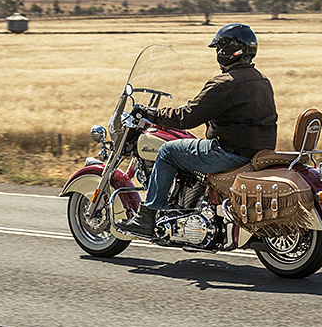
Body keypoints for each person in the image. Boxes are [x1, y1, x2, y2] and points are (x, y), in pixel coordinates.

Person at [118, 23, 278, 238]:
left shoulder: (224, 84)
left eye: (218, 49)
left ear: (226, 52)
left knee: (168, 151)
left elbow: (186, 118)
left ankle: (146, 218)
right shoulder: (261, 80)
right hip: (258, 152)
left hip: (229, 153)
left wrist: (151, 113)